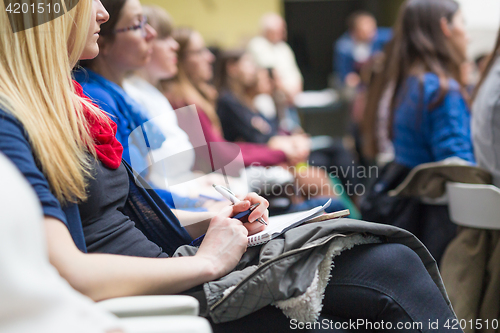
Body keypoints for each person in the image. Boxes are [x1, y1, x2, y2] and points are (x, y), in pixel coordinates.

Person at [0, 0, 463, 331]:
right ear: (46, 11)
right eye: (139, 26)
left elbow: (148, 198)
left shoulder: (101, 102)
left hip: (179, 252)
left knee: (366, 237)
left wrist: (217, 217)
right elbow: (188, 172)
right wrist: (211, 250)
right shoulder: (97, 103)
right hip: (168, 287)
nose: (167, 44)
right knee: (385, 261)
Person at [440, 27, 500, 326]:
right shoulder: (441, 89)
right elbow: (453, 151)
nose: (464, 31)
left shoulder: (490, 74)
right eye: (458, 22)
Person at [247, 13, 303, 101]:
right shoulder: (257, 44)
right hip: (270, 99)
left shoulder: (284, 48)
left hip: (291, 99)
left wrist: (294, 94)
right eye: (280, 30)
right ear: (267, 31)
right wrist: (288, 93)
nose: (284, 32)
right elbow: (271, 74)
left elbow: (296, 75)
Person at [334, 11, 392, 87]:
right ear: (354, 31)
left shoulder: (382, 37)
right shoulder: (344, 47)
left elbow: (399, 37)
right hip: (359, 85)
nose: (371, 34)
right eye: (365, 31)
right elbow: (344, 73)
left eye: (373, 29)